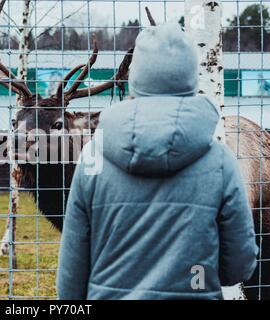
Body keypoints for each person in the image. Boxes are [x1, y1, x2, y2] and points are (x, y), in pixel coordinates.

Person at [56, 23, 258, 300]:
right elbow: (238, 267)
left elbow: (71, 275)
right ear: (191, 77)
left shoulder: (92, 158)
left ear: (135, 77)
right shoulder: (221, 162)